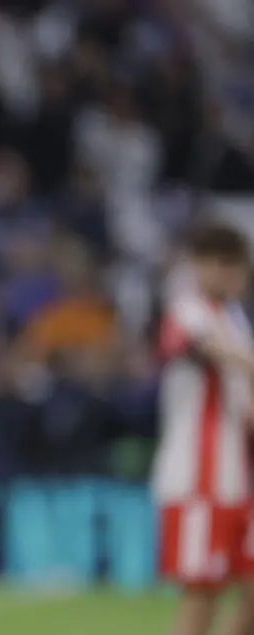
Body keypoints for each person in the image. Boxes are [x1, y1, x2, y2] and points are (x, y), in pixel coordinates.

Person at [153, 222, 254, 635]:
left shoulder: (236, 320)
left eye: (237, 267)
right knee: (200, 599)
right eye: (221, 265)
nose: (230, 276)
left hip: (238, 478)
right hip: (198, 479)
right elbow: (202, 348)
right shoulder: (186, 311)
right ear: (198, 265)